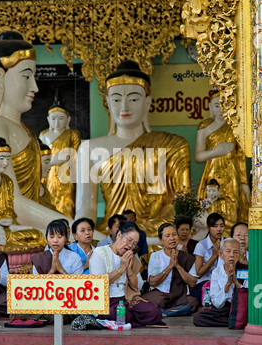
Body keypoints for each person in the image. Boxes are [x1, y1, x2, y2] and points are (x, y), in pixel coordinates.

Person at [0, 31, 94, 237]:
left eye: (33, 76)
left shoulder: (27, 131)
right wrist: (77, 231)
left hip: (38, 222)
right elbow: (15, 203)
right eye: (26, 76)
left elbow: (37, 197)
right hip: (11, 227)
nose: (34, 86)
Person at [75, 60, 191, 238]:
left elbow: (181, 208)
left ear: (147, 102)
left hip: (157, 237)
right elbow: (85, 212)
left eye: (134, 99)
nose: (124, 106)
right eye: (116, 99)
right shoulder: (89, 148)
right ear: (107, 103)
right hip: (111, 236)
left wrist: (137, 233)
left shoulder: (173, 145)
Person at [89, 221, 165, 327]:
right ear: (119, 234)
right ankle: (129, 319)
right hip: (107, 300)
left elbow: (138, 286)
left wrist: (129, 271)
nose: (130, 246)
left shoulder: (131, 257)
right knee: (120, 315)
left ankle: (129, 320)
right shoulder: (100, 253)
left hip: (128, 299)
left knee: (154, 312)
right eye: (129, 240)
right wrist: (122, 268)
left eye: (134, 244)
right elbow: (99, 282)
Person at [195, 91, 250, 232]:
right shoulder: (204, 127)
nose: (221, 109)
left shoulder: (235, 127)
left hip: (232, 175)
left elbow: (240, 157)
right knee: (211, 209)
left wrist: (244, 183)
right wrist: (215, 152)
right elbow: (198, 156)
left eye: (226, 105)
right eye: (217, 105)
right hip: (211, 175)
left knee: (232, 210)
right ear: (210, 107)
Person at [0, 136, 47, 252]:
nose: (5, 162)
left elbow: (9, 209)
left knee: (37, 235)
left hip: (8, 228)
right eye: (1, 158)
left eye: (8, 158)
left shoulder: (8, 180)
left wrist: (9, 222)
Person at [39, 94, 81, 218]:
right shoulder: (44, 135)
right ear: (48, 120)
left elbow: (76, 155)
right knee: (47, 203)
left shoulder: (72, 134)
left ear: (68, 120)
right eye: (53, 118)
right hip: (48, 175)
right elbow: (38, 158)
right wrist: (53, 161)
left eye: (61, 118)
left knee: (66, 204)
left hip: (66, 176)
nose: (57, 122)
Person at [142, 223, 198, 313]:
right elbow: (152, 282)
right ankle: (174, 311)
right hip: (161, 294)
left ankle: (166, 312)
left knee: (193, 302)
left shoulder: (187, 258)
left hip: (180, 296)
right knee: (158, 301)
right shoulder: (156, 256)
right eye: (167, 236)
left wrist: (177, 266)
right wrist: (170, 266)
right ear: (161, 240)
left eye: (174, 235)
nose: (172, 238)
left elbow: (192, 283)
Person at [193, 238, 246, 327]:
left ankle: (236, 321)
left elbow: (247, 297)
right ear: (221, 255)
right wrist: (228, 285)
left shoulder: (244, 270)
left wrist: (236, 282)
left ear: (240, 255)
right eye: (228, 251)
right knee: (198, 317)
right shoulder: (216, 272)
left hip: (239, 308)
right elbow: (217, 303)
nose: (232, 255)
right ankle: (236, 322)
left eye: (235, 252)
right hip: (223, 309)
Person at [190, 212, 225, 303]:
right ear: (208, 228)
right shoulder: (201, 245)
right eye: (215, 226)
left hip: (223, 282)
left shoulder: (227, 243)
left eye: (221, 226)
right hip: (205, 282)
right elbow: (199, 273)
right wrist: (214, 255)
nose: (219, 229)